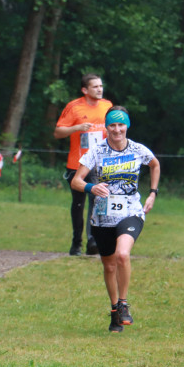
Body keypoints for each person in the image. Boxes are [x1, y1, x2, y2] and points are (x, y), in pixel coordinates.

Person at [71, 106, 160, 333]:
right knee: (109, 266)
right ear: (107, 126)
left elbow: (155, 164)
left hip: (131, 211)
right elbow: (76, 181)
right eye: (112, 125)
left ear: (127, 125)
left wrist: (152, 193)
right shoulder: (97, 152)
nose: (117, 129)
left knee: (122, 254)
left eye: (121, 125)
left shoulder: (138, 149)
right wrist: (92, 186)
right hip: (102, 217)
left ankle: (123, 303)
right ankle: (114, 312)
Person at [54, 73, 113, 256]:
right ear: (85, 90)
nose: (99, 89)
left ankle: (93, 241)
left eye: (101, 86)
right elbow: (58, 132)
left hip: (100, 164)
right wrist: (76, 128)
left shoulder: (107, 106)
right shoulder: (74, 107)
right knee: (78, 204)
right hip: (77, 164)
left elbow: (115, 129)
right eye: (95, 87)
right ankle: (76, 243)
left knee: (98, 202)